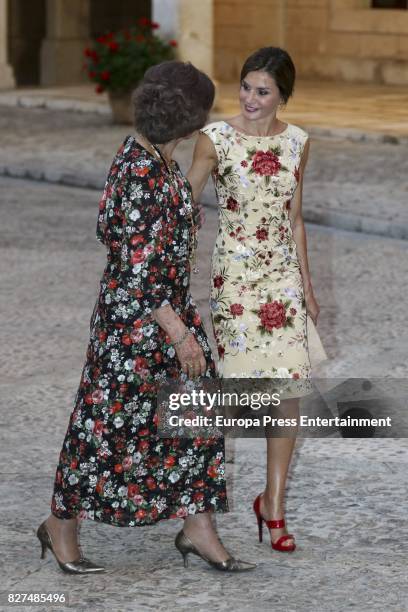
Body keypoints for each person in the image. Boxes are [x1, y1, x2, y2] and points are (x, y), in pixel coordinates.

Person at [37, 61, 255, 574]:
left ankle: (198, 528)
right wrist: (180, 334)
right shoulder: (140, 172)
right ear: (190, 117)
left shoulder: (156, 159)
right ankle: (59, 525)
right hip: (134, 328)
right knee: (104, 428)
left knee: (197, 417)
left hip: (164, 313)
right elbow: (138, 272)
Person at [187, 47, 320, 553]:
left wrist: (306, 286)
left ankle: (275, 505)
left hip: (281, 278)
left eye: (263, 91)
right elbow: (186, 206)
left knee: (289, 390)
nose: (250, 98)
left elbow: (296, 217)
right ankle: (196, 514)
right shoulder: (214, 139)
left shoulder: (298, 143)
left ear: (283, 96)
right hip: (236, 281)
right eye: (245, 87)